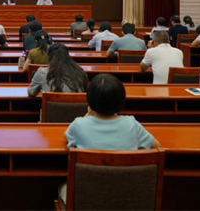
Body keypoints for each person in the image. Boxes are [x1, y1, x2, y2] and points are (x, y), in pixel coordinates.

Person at [59, 74, 162, 208]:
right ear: (121, 100)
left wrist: (87, 116)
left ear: (90, 100)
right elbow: (157, 147)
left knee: (62, 187)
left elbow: (65, 135)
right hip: (129, 199)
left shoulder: (79, 125)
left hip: (89, 201)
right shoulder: (132, 124)